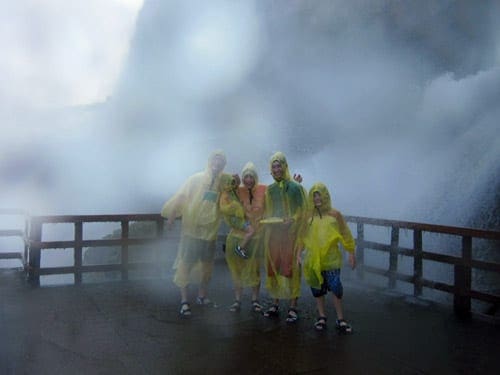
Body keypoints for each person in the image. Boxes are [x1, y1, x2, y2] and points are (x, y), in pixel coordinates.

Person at [161, 150, 231, 317]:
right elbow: (181, 197)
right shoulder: (196, 179)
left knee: (207, 265)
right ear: (209, 161)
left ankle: (202, 296)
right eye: (215, 160)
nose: (217, 164)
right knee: (186, 263)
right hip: (192, 231)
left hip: (210, 232)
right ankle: (184, 301)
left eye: (221, 161)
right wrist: (171, 218)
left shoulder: (222, 182)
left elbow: (236, 186)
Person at [299, 182, 356, 333]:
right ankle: (322, 317)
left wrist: (351, 252)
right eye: (314, 196)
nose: (317, 199)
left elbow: (345, 233)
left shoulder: (335, 214)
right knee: (317, 289)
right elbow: (302, 236)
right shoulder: (308, 216)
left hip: (331, 259)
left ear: (325, 196)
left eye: (320, 195)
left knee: (336, 287)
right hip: (313, 259)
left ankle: (340, 319)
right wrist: (299, 253)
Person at [262, 151, 308, 323]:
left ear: (285, 166)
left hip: (292, 235)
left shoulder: (295, 187)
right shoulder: (270, 190)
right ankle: (275, 303)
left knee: (291, 268)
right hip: (274, 234)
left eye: (279, 165)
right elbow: (269, 210)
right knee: (274, 266)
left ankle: (293, 306)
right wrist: (265, 220)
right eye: (273, 166)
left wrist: (293, 219)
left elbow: (303, 209)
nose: (276, 169)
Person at [219, 162, 266, 313]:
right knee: (237, 270)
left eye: (251, 177)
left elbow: (280, 192)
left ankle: (255, 300)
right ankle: (238, 300)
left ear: (255, 178)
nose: (248, 180)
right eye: (246, 177)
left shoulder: (263, 190)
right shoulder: (238, 191)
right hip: (237, 235)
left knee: (255, 269)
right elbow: (227, 189)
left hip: (256, 238)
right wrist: (235, 180)